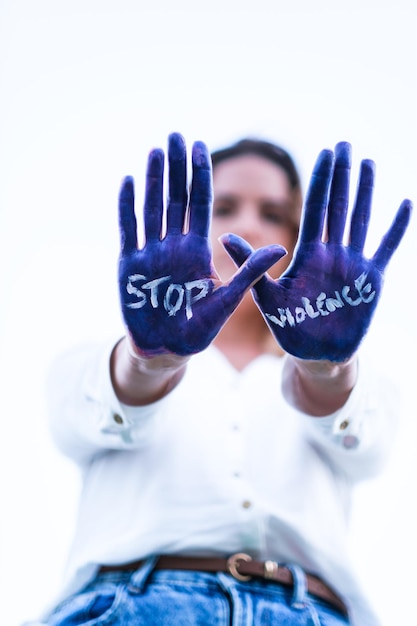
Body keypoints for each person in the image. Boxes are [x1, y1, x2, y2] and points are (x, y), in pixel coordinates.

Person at [41, 132, 411, 626]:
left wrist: (325, 366)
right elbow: (90, 414)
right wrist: (152, 358)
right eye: (226, 207)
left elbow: (369, 446)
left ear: (299, 234)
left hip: (309, 612)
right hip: (135, 606)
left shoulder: (363, 381)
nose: (247, 225)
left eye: (273, 213)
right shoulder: (93, 358)